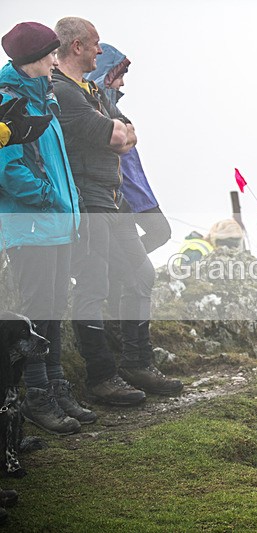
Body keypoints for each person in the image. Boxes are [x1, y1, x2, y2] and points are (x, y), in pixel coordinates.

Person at [52, 17, 182, 404]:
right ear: (77, 46)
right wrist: (117, 132)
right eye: (94, 43)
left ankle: (137, 362)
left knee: (141, 273)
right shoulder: (63, 92)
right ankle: (100, 376)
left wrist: (118, 131)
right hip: (87, 198)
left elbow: (128, 130)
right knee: (92, 284)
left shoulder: (91, 89)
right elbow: (116, 134)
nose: (98, 50)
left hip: (113, 196)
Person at [0, 21, 96, 434]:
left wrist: (66, 204)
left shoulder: (44, 99)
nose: (57, 61)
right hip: (31, 229)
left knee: (54, 309)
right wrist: (50, 198)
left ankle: (57, 387)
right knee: (38, 315)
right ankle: (38, 396)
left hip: (56, 226)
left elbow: (57, 166)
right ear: (34, 60)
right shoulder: (9, 103)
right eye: (51, 55)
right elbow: (9, 170)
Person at [87, 43, 171, 254]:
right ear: (105, 75)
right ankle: (124, 266)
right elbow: (122, 143)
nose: (122, 83)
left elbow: (129, 138)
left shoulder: (109, 107)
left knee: (158, 233)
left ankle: (123, 268)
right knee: (160, 231)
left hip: (134, 187)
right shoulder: (92, 108)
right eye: (119, 75)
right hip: (121, 190)